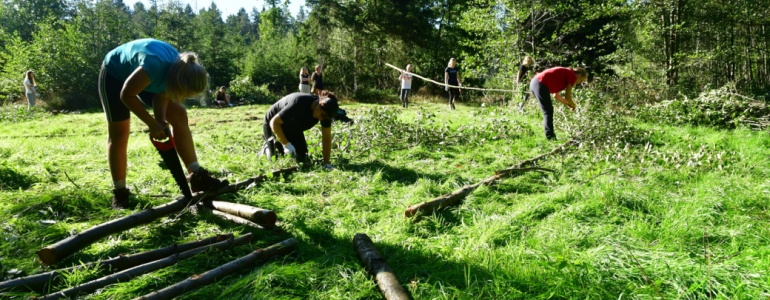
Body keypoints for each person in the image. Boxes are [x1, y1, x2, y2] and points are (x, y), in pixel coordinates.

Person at [99, 38, 228, 209]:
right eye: (184, 94)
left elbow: (163, 94)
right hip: (115, 75)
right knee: (120, 133)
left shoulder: (180, 68)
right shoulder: (155, 67)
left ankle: (197, 176)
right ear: (178, 83)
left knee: (179, 114)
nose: (183, 98)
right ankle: (120, 192)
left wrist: (160, 121)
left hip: (147, 75)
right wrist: (151, 124)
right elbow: (126, 95)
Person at [261, 91, 339, 169]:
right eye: (321, 115)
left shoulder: (326, 115)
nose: (321, 118)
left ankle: (278, 144)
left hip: (293, 127)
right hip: (272, 123)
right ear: (319, 104)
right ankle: (266, 148)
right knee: (273, 159)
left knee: (302, 158)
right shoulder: (298, 103)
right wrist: (286, 144)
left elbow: (326, 138)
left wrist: (326, 163)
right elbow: (274, 122)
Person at [530, 66, 588, 140]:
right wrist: (573, 105)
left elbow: (556, 95)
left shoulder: (566, 74)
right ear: (579, 75)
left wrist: (569, 104)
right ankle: (550, 137)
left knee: (548, 110)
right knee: (548, 111)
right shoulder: (572, 76)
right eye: (581, 80)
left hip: (535, 83)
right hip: (540, 83)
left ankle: (550, 135)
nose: (579, 83)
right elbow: (567, 96)